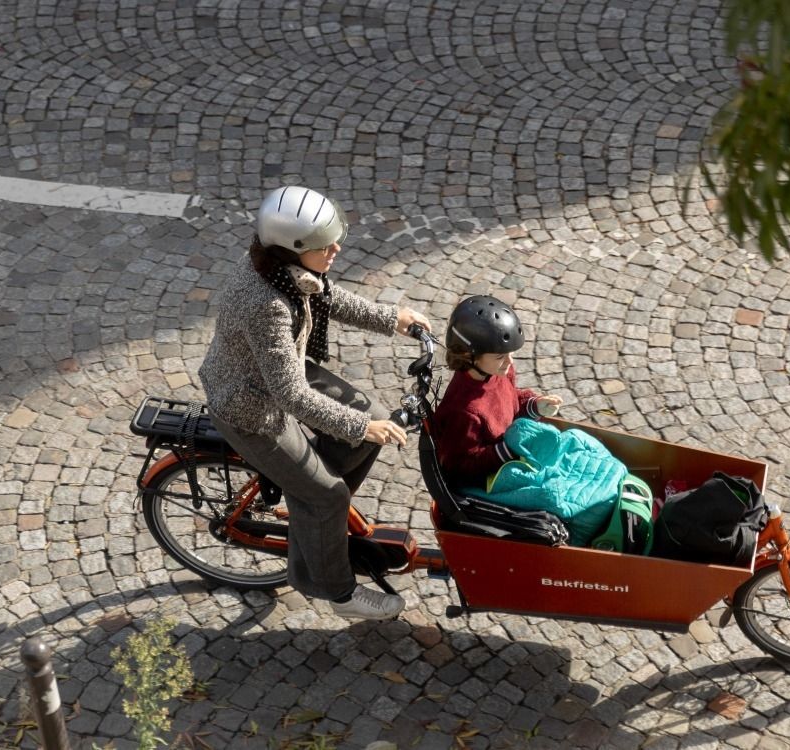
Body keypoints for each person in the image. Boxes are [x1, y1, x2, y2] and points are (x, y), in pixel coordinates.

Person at [198, 186, 431, 620]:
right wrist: (359, 430)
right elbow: (289, 396)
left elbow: (326, 296)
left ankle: (311, 511)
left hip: (279, 369)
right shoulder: (267, 304)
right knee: (327, 495)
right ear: (294, 248)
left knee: (372, 418)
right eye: (325, 245)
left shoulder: (278, 268)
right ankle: (333, 590)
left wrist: (391, 318)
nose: (336, 249)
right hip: (253, 406)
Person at [432, 295, 563, 489]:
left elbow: (509, 400)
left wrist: (533, 405)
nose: (510, 362)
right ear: (469, 355)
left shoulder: (498, 371)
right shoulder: (463, 412)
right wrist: (509, 448)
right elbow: (460, 466)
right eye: (501, 356)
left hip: (512, 453)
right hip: (489, 478)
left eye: (511, 354)